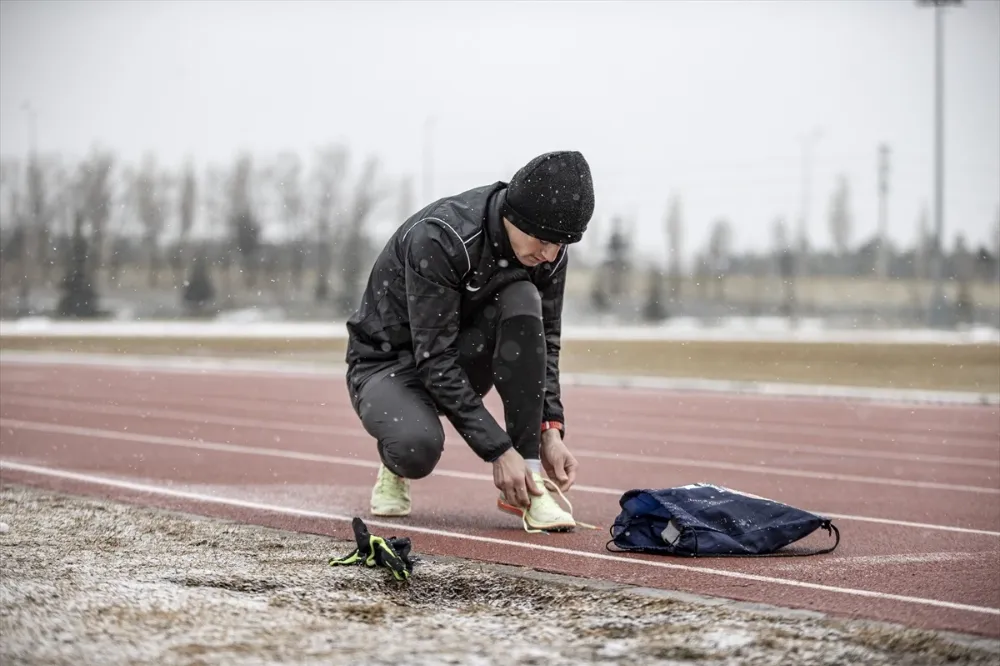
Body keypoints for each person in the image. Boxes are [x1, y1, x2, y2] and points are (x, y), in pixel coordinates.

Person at [343, 150, 595, 532]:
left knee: (524, 298)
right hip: (388, 363)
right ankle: (394, 465)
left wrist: (549, 432)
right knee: (416, 447)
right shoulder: (441, 238)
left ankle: (529, 478)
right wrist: (497, 450)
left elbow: (548, 343)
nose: (550, 254)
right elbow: (434, 359)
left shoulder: (548, 253)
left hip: (464, 354)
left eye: (562, 244)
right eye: (544, 240)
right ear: (514, 217)